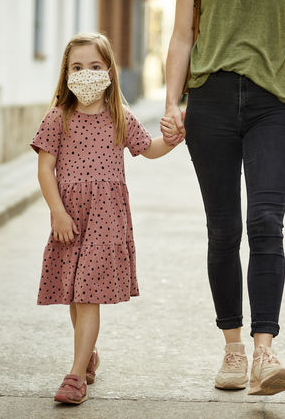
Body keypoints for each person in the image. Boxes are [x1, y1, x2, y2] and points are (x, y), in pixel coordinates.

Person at [160, 0, 285, 396]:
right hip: (209, 102)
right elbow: (182, 35)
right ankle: (233, 350)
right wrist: (172, 102)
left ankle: (264, 354)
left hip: (272, 106)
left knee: (265, 222)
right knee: (223, 231)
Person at [30, 32, 179, 405]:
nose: (86, 74)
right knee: (74, 296)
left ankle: (76, 375)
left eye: (95, 67)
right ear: (66, 74)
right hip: (70, 220)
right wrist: (57, 213)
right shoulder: (57, 118)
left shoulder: (120, 117)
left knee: (88, 295)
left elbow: (148, 150)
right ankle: (88, 353)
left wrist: (173, 139)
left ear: (109, 71)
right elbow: (45, 170)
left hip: (106, 222)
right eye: (77, 67)